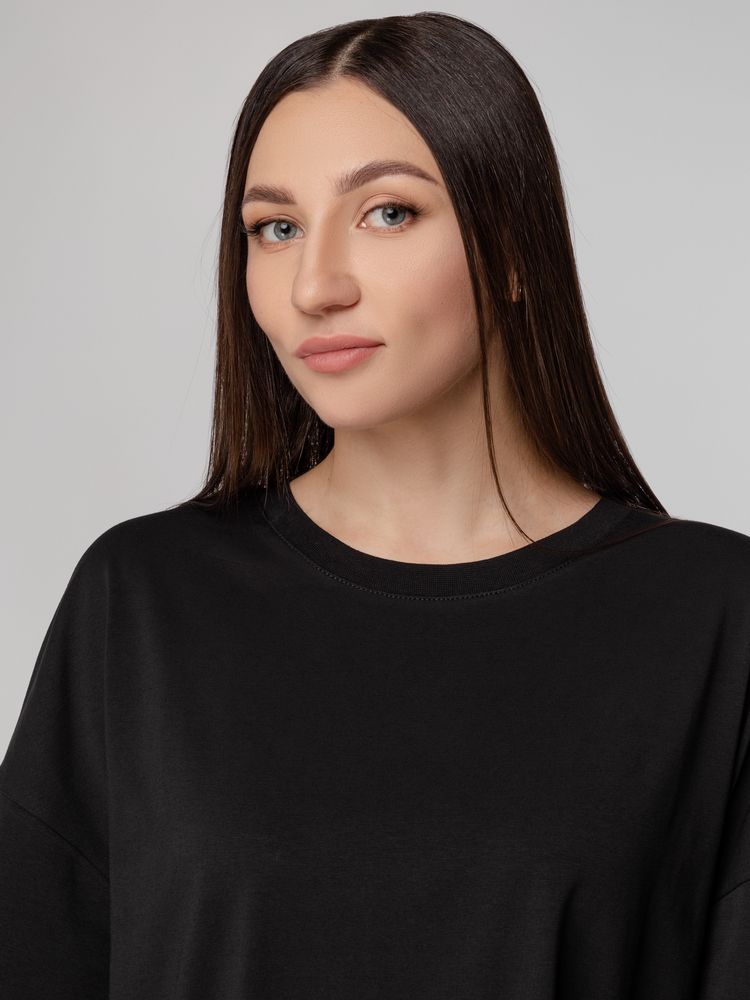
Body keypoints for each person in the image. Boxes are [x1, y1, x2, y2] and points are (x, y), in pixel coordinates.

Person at [1, 12, 748, 999]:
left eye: (388, 212)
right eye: (275, 228)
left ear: (513, 248)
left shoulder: (713, 614)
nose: (316, 285)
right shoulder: (141, 599)